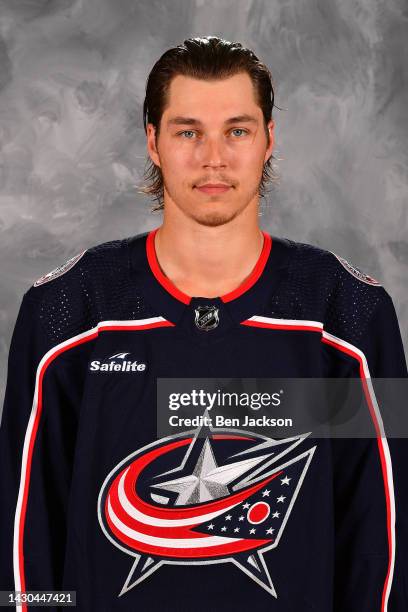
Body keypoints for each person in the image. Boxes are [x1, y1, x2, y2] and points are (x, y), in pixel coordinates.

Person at [0, 35, 407, 612]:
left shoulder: (348, 318)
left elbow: (386, 543)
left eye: (237, 130)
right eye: (188, 131)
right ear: (154, 142)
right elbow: (24, 543)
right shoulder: (68, 314)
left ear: (269, 139)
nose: (213, 157)